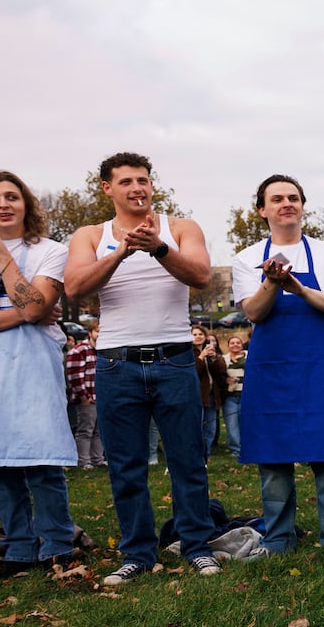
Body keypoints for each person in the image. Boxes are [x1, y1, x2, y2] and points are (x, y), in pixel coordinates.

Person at [64, 152, 222, 584]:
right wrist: (120, 251)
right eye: (127, 181)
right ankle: (137, 552)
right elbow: (75, 288)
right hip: (117, 365)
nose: (138, 187)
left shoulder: (180, 228)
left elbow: (201, 274)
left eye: (144, 180)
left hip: (173, 360)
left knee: (188, 461)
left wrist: (157, 247)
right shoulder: (90, 234)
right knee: (126, 465)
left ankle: (196, 546)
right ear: (107, 188)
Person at [232, 175, 324, 565]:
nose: (286, 203)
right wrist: (273, 282)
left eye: (293, 197)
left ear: (303, 206)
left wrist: (299, 288)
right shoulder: (245, 257)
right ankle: (277, 539)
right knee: (273, 458)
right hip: (271, 370)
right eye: (277, 199)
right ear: (263, 210)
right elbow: (253, 311)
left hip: (321, 368)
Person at [0, 170, 79, 577]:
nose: (3, 204)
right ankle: (18, 546)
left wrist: (4, 256)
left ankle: (57, 543)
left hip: (33, 367)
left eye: (11, 196)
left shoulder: (50, 251)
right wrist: (23, 313)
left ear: (26, 203)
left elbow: (40, 308)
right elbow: (32, 308)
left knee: (41, 461)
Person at [65, 326, 104, 469]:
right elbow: (74, 376)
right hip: (87, 399)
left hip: (101, 398)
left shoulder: (103, 351)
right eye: (97, 331)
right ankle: (83, 461)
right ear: (90, 333)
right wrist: (84, 397)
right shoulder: (79, 350)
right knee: (85, 430)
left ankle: (98, 459)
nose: (100, 335)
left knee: (99, 431)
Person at [191, 326, 228, 460]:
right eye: (194, 334)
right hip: (196, 396)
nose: (198, 336)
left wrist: (213, 358)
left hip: (212, 395)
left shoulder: (210, 349)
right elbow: (193, 372)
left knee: (211, 428)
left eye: (201, 334)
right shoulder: (187, 352)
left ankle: (205, 455)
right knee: (197, 428)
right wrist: (201, 357)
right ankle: (197, 456)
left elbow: (221, 370)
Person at [222, 335, 246, 457]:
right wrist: (226, 380)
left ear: (242, 345)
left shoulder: (248, 356)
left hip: (246, 396)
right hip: (230, 396)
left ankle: (248, 447)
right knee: (232, 425)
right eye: (232, 343)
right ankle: (236, 449)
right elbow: (219, 374)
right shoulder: (224, 359)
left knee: (246, 423)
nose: (235, 345)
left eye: (238, 342)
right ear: (228, 346)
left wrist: (241, 361)